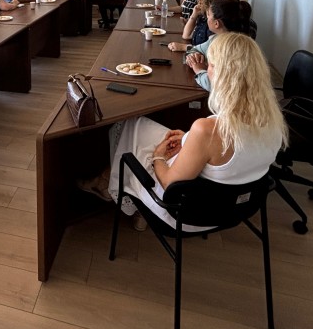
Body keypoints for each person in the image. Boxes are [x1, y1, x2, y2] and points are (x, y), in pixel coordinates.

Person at [105, 33, 287, 232]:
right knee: (142, 128)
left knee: (131, 125)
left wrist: (158, 156)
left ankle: (115, 188)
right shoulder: (275, 122)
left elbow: (169, 183)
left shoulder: (207, 130)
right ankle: (111, 182)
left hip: (187, 214)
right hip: (238, 210)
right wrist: (188, 139)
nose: (207, 69)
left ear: (223, 74)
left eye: (211, 64)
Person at [184, 0, 253, 90]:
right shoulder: (215, 39)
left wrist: (199, 70)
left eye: (208, 15)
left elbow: (216, 85)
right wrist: (194, 56)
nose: (207, 18)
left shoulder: (233, 50)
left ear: (216, 23)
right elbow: (194, 49)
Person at [168, 0, 232, 52]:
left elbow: (210, 50)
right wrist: (194, 15)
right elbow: (186, 35)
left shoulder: (214, 23)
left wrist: (184, 47)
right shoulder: (202, 16)